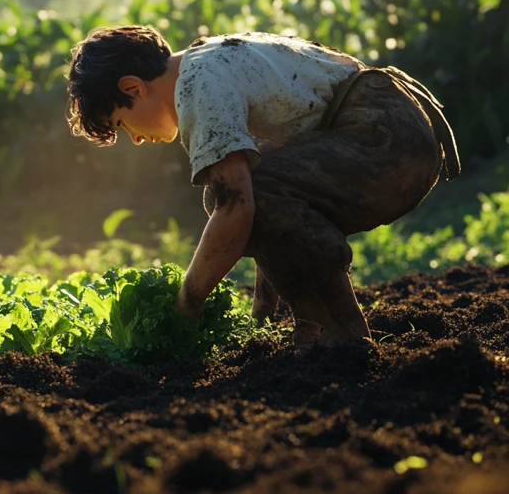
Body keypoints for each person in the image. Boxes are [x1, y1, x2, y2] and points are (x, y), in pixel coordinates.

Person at [65, 26, 459, 346]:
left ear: (133, 88)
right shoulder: (208, 59)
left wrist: (188, 300)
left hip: (385, 137)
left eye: (122, 124)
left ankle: (344, 332)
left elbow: (238, 206)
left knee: (229, 196)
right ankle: (314, 330)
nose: (134, 139)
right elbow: (276, 196)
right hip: (395, 128)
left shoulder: (198, 86)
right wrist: (263, 302)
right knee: (251, 187)